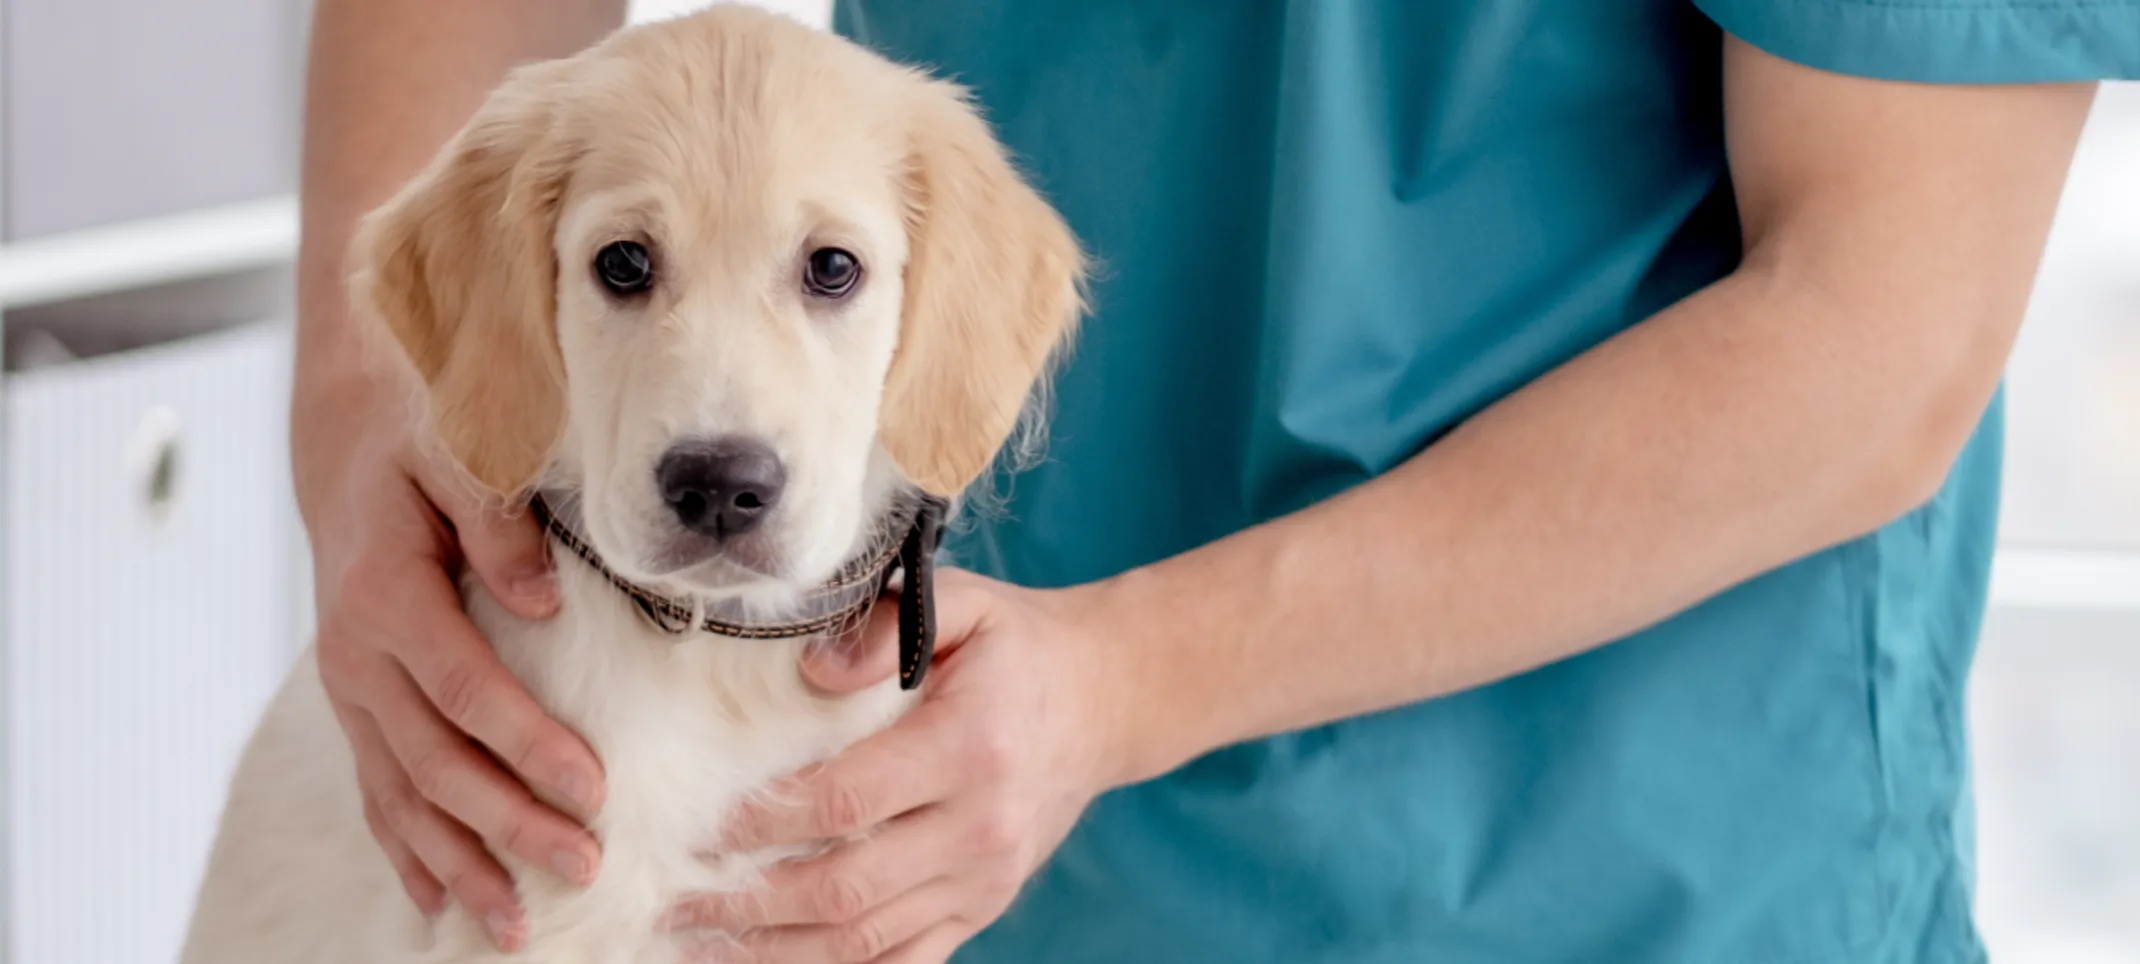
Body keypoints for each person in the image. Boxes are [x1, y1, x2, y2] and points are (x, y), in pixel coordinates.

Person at [294, 1, 2138, 960]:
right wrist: (382, 387)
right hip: (952, 862)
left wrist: (1133, 681)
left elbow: (1879, 328)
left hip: (1614, 882)